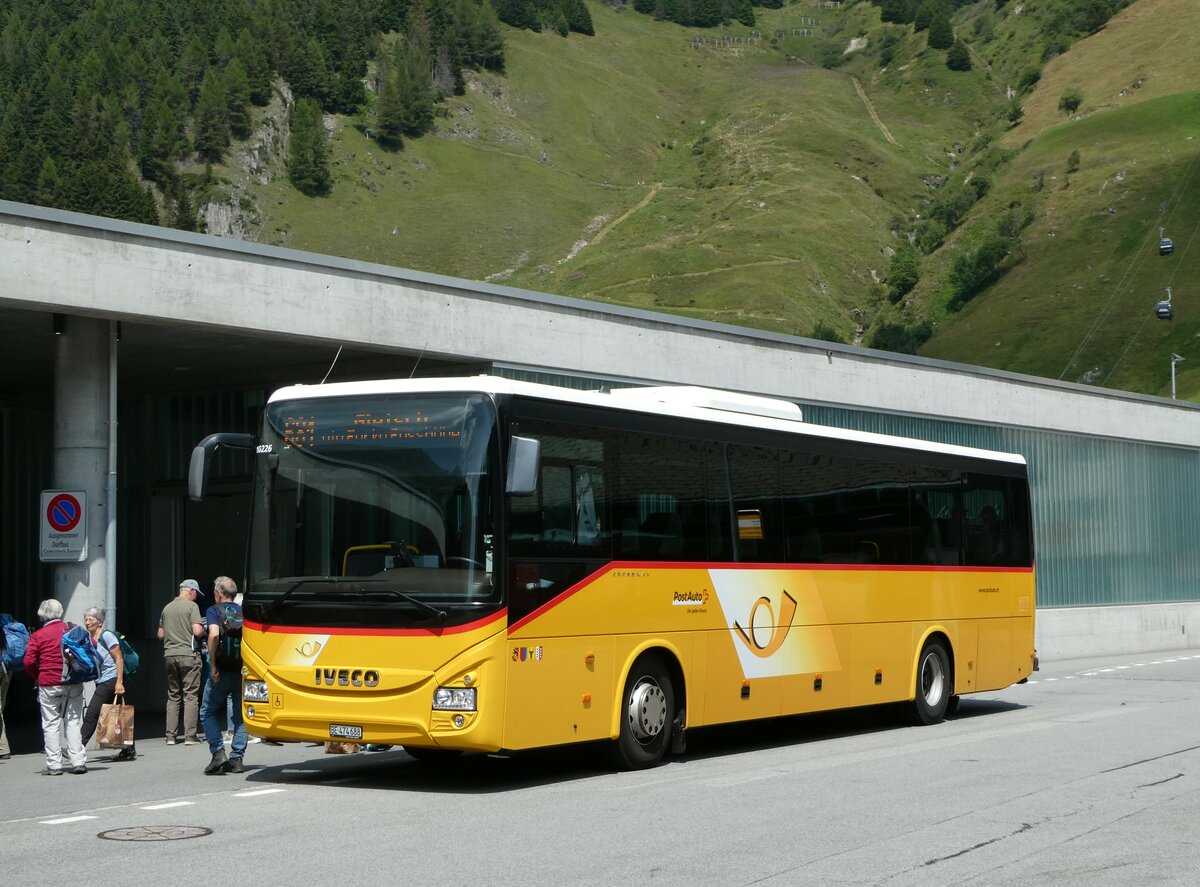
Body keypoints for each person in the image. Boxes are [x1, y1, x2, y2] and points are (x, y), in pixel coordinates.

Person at [23, 599, 87, 775]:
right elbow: (92, 646)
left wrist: (38, 675)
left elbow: (28, 661)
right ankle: (78, 762)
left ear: (42, 615)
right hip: (73, 682)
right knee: (73, 722)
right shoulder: (71, 629)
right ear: (60, 612)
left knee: (51, 724)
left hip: (48, 683)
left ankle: (54, 765)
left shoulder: (38, 635)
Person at [201, 576, 247, 775]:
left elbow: (213, 635)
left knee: (207, 711)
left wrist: (212, 666)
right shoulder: (244, 612)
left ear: (219, 594)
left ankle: (218, 753)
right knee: (240, 717)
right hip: (241, 670)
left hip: (221, 671)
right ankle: (237, 758)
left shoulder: (214, 610)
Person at [80, 607, 136, 761]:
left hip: (111, 680)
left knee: (92, 713)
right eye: (86, 619)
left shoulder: (107, 636)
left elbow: (119, 659)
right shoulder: (90, 638)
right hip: (102, 680)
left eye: (91, 619)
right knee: (119, 714)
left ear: (100, 622)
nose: (87, 622)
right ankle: (129, 750)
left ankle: (78, 747)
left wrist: (119, 682)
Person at [158, 579, 205, 745]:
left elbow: (160, 634)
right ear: (191, 591)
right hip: (188, 655)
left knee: (173, 695)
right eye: (196, 594)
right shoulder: (192, 607)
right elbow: (197, 631)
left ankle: (170, 736)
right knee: (191, 695)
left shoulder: (167, 608)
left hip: (170, 655)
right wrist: (203, 627)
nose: (196, 598)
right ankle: (190, 736)